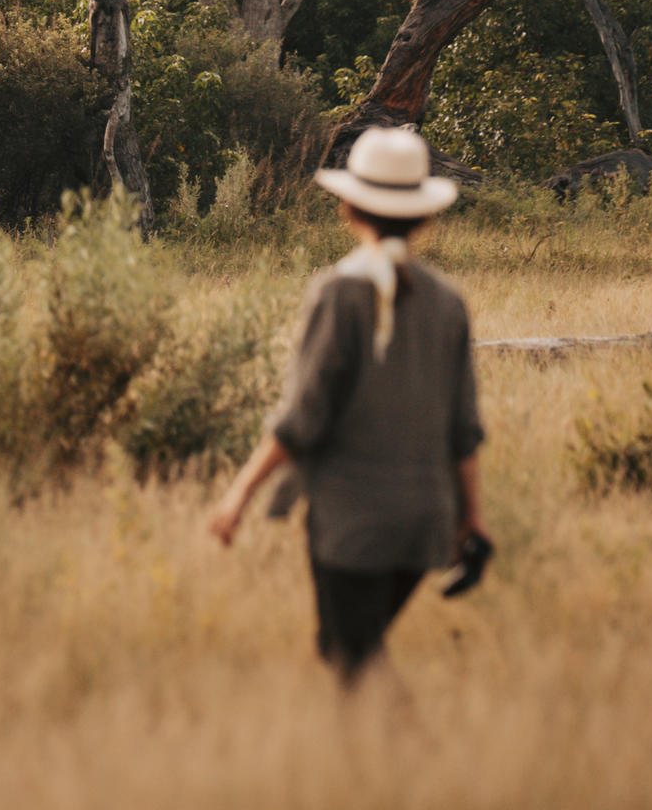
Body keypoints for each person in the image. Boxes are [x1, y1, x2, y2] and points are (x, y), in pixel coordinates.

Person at [206, 124, 487, 687]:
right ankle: (381, 767)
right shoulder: (448, 304)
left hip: (352, 523)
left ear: (348, 207)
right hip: (425, 524)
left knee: (351, 656)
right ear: (425, 216)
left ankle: (423, 761)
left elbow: (303, 418)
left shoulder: (337, 294)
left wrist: (239, 493)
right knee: (352, 650)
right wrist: (471, 521)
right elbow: (464, 430)